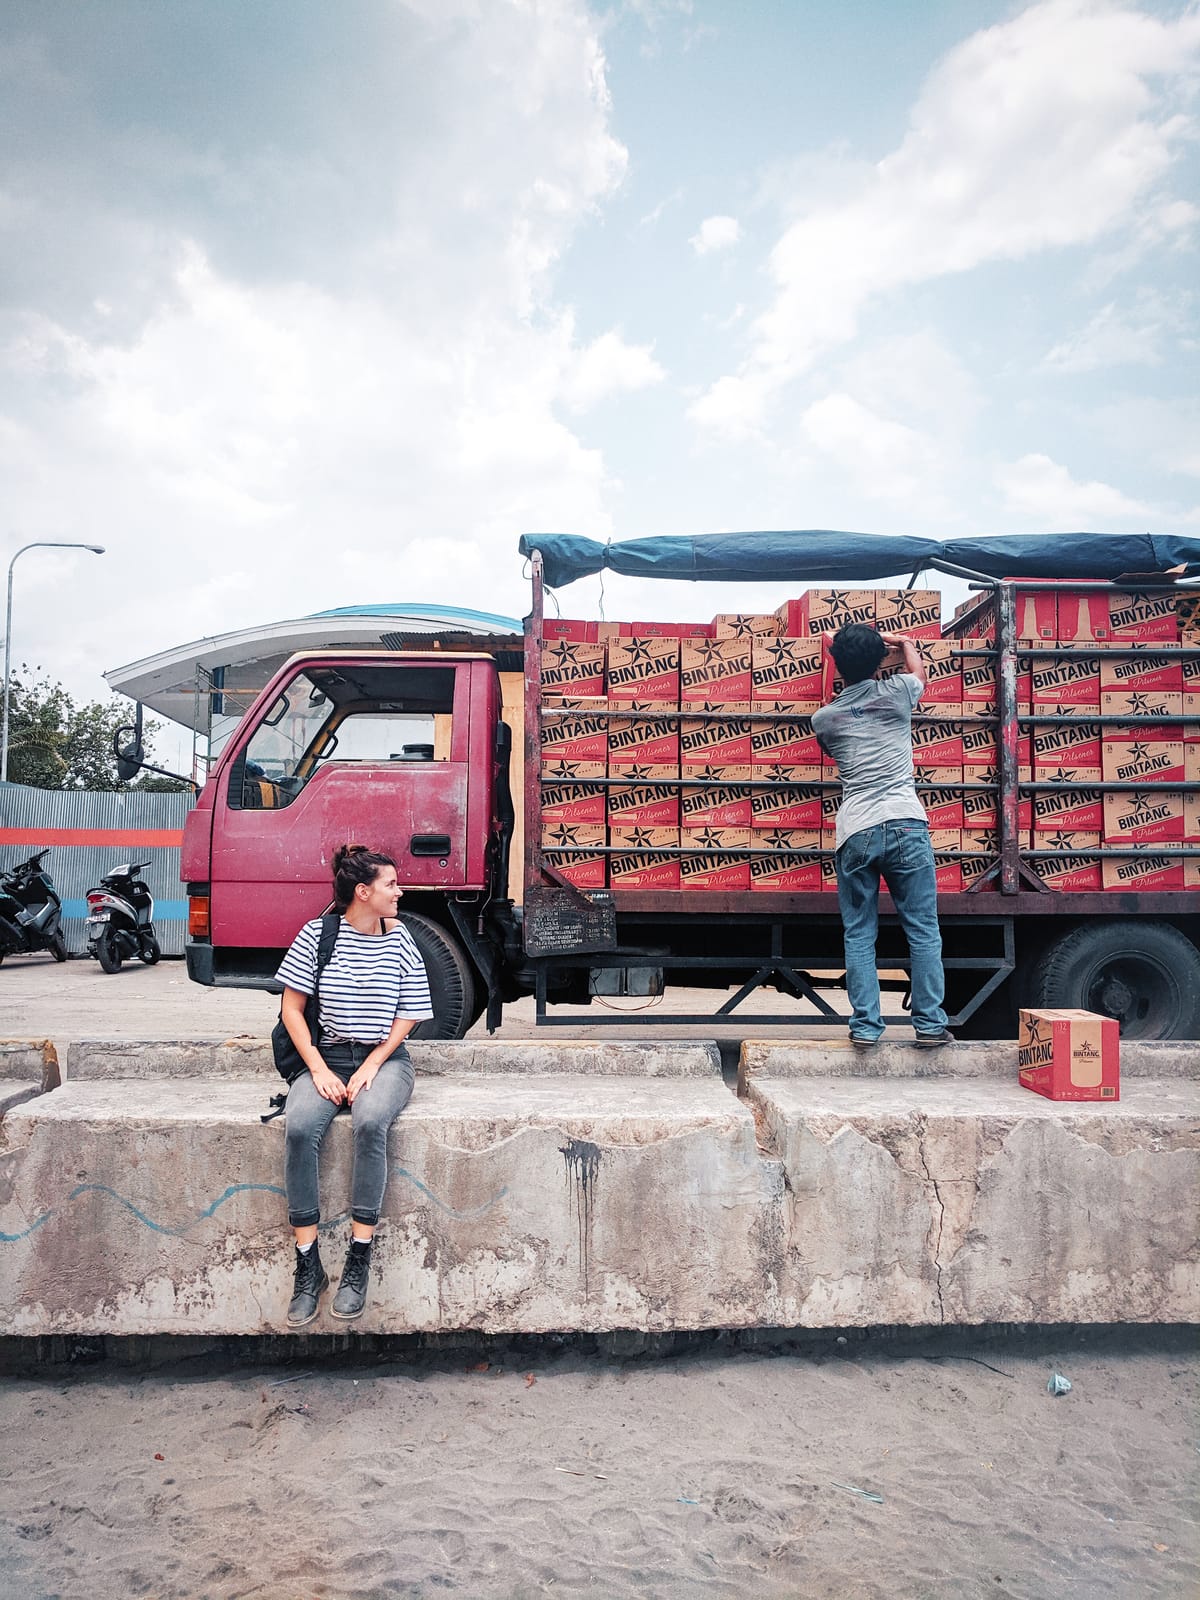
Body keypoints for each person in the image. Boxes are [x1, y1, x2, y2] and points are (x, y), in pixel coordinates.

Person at [275, 843, 434, 1326]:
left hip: (385, 1061)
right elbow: (292, 1010)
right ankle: (309, 1266)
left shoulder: (401, 937)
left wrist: (373, 1065)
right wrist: (320, 1070)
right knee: (299, 1127)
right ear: (362, 892)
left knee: (369, 1122)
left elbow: (409, 1013)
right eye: (391, 884)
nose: (399, 891)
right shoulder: (317, 934)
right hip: (325, 1058)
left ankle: (358, 1259)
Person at [811, 623, 952, 1050]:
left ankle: (866, 1029)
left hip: (857, 830)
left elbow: (835, 751)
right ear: (880, 662)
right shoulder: (900, 692)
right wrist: (905, 643)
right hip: (906, 822)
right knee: (923, 930)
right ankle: (929, 1026)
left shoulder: (824, 719)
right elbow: (920, 673)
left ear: (838, 666)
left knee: (859, 934)